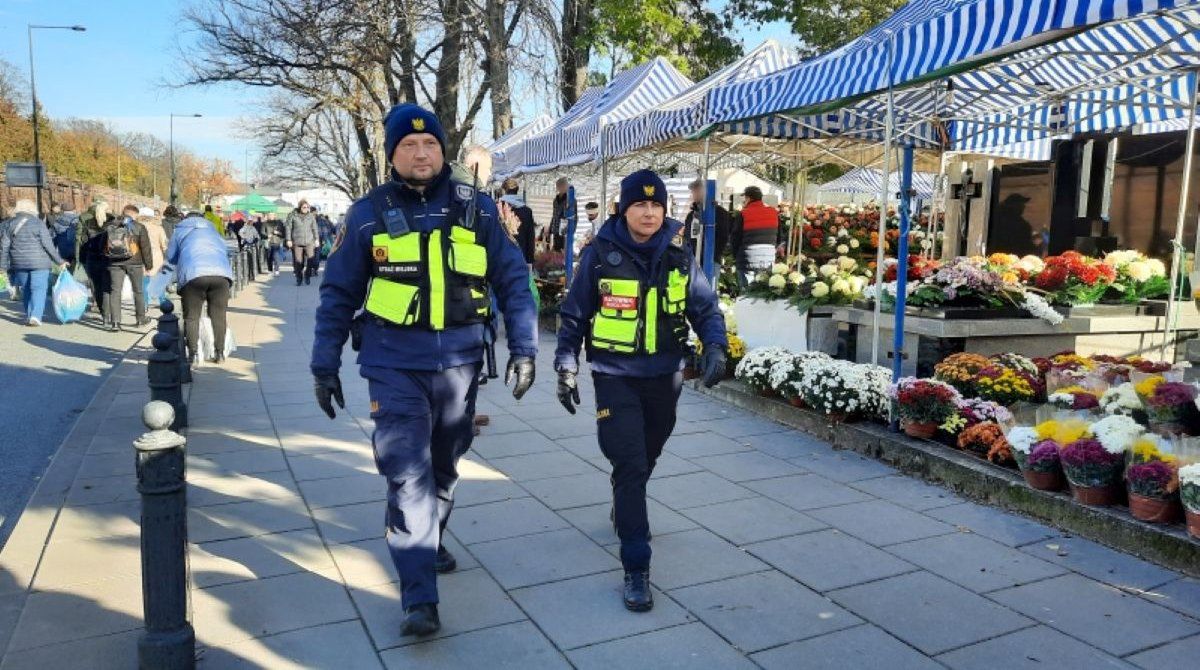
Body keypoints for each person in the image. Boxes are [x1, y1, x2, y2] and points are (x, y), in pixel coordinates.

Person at [310, 103, 537, 637]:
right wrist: (324, 365)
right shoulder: (367, 214)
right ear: (392, 155)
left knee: (446, 463)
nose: (420, 152)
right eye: (408, 146)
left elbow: (513, 280)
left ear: (442, 151)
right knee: (406, 472)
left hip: (460, 364)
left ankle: (429, 537)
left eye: (429, 144)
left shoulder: (476, 209)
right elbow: (337, 294)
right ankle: (419, 598)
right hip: (393, 364)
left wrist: (524, 349)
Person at [554, 169, 727, 612]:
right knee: (629, 463)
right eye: (639, 205)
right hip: (614, 374)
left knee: (647, 456)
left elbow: (704, 305)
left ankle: (623, 502)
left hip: (664, 374)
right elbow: (573, 315)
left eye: (656, 206)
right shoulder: (599, 254)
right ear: (623, 209)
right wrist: (566, 364)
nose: (649, 213)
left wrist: (715, 345)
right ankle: (636, 566)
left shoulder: (679, 252)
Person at [165, 214, 234, 365]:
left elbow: (170, 257)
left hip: (193, 275)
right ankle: (220, 353)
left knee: (192, 317)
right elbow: (227, 251)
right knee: (219, 315)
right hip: (221, 275)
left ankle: (194, 354)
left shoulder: (180, 231)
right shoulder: (213, 231)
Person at [0, 199, 69, 326]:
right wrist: (60, 261)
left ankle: (29, 314)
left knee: (26, 289)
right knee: (39, 288)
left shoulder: (10, 224)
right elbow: (48, 245)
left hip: (19, 263)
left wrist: (2, 266)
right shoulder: (38, 223)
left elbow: (4, 247)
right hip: (40, 263)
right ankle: (36, 316)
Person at [102, 204, 153, 330]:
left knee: (115, 291)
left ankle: (115, 322)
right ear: (134, 214)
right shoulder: (139, 227)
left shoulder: (109, 226)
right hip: (135, 263)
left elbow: (103, 245)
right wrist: (148, 265)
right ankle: (141, 319)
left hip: (114, 263)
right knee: (138, 291)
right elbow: (145, 247)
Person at [730, 185, 779, 288]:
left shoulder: (743, 214)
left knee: (746, 293)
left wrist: (736, 256)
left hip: (747, 259)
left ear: (748, 198)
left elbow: (735, 238)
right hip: (768, 260)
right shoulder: (773, 212)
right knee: (763, 293)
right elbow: (778, 236)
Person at [684, 179, 732, 263]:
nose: (694, 194)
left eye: (697, 190)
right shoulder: (691, 215)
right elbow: (687, 237)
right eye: (693, 191)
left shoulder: (719, 213)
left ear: (706, 191)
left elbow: (724, 236)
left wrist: (715, 254)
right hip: (692, 261)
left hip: (711, 261)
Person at [78, 203, 112, 317]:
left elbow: (83, 242)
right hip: (108, 258)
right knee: (109, 286)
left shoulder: (88, 223)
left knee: (96, 287)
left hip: (92, 259)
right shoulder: (113, 222)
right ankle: (110, 312)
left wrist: (82, 259)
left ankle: (103, 311)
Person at [498, 178, 536, 265]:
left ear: (504, 190)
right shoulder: (527, 211)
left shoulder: (498, 208)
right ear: (517, 190)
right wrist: (530, 260)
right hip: (521, 256)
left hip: (501, 256)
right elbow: (530, 237)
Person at [285, 200, 320, 285]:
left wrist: (316, 239)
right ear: (300, 207)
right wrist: (288, 240)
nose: (306, 209)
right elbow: (288, 228)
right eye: (304, 207)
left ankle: (307, 276)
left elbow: (314, 228)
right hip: (297, 241)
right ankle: (299, 278)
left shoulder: (311, 216)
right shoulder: (292, 215)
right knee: (298, 262)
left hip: (309, 241)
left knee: (311, 259)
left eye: (308, 207)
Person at [48, 203, 80, 269]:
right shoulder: (78, 219)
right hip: (76, 248)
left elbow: (52, 236)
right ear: (74, 209)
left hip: (63, 249)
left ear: (62, 210)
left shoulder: (57, 220)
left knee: (65, 268)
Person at [547, 176, 569, 251]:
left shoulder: (569, 200)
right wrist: (550, 229)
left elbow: (571, 217)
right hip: (556, 229)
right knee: (556, 250)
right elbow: (554, 215)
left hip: (564, 230)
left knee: (563, 250)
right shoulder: (555, 200)